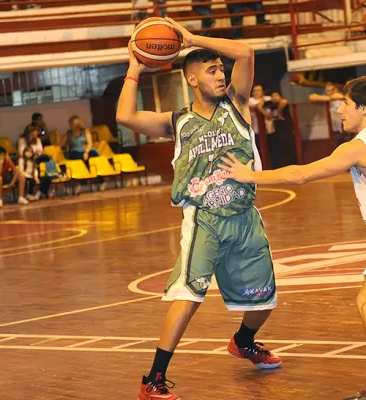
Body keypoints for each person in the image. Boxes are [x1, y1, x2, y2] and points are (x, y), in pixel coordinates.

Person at [219, 75, 366, 400]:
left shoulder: (358, 146)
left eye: (346, 104)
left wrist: (250, 175)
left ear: (363, 107)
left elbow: (301, 174)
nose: (340, 110)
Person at [116, 17, 281, 400]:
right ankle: (152, 379)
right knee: (188, 295)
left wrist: (191, 38)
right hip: (203, 220)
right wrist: (133, 69)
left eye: (221, 69)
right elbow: (125, 117)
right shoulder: (178, 122)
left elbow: (246, 51)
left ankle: (243, 341)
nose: (221, 73)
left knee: (264, 299)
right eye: (211, 70)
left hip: (244, 219)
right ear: (192, 80)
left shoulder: (237, 104)